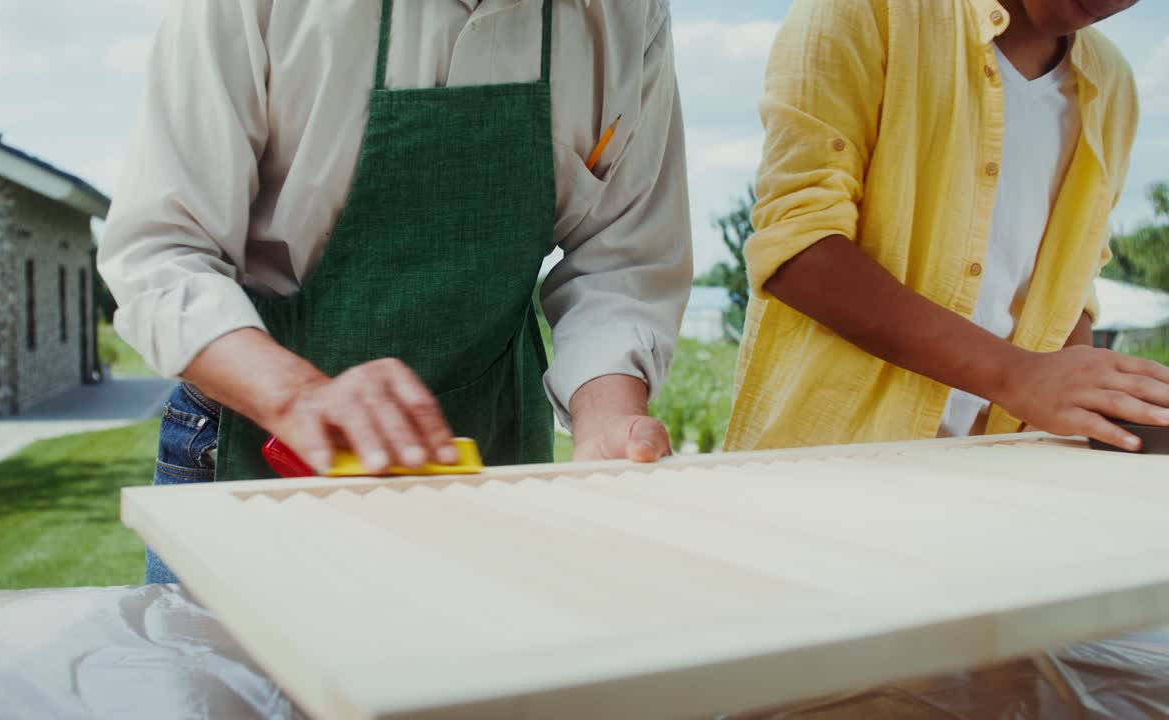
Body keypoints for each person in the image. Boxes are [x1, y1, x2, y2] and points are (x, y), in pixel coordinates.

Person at [98, 0, 691, 583]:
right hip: (254, 449)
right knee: (231, 680)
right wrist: (301, 398)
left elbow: (623, 260)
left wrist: (609, 417)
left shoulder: (629, 15)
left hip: (490, 462)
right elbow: (161, 253)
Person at [726, 0, 1168, 452]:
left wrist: (1094, 403)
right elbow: (800, 248)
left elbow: (1070, 286)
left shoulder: (1112, 83)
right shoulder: (869, 11)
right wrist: (1017, 376)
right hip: (833, 466)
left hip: (999, 474)